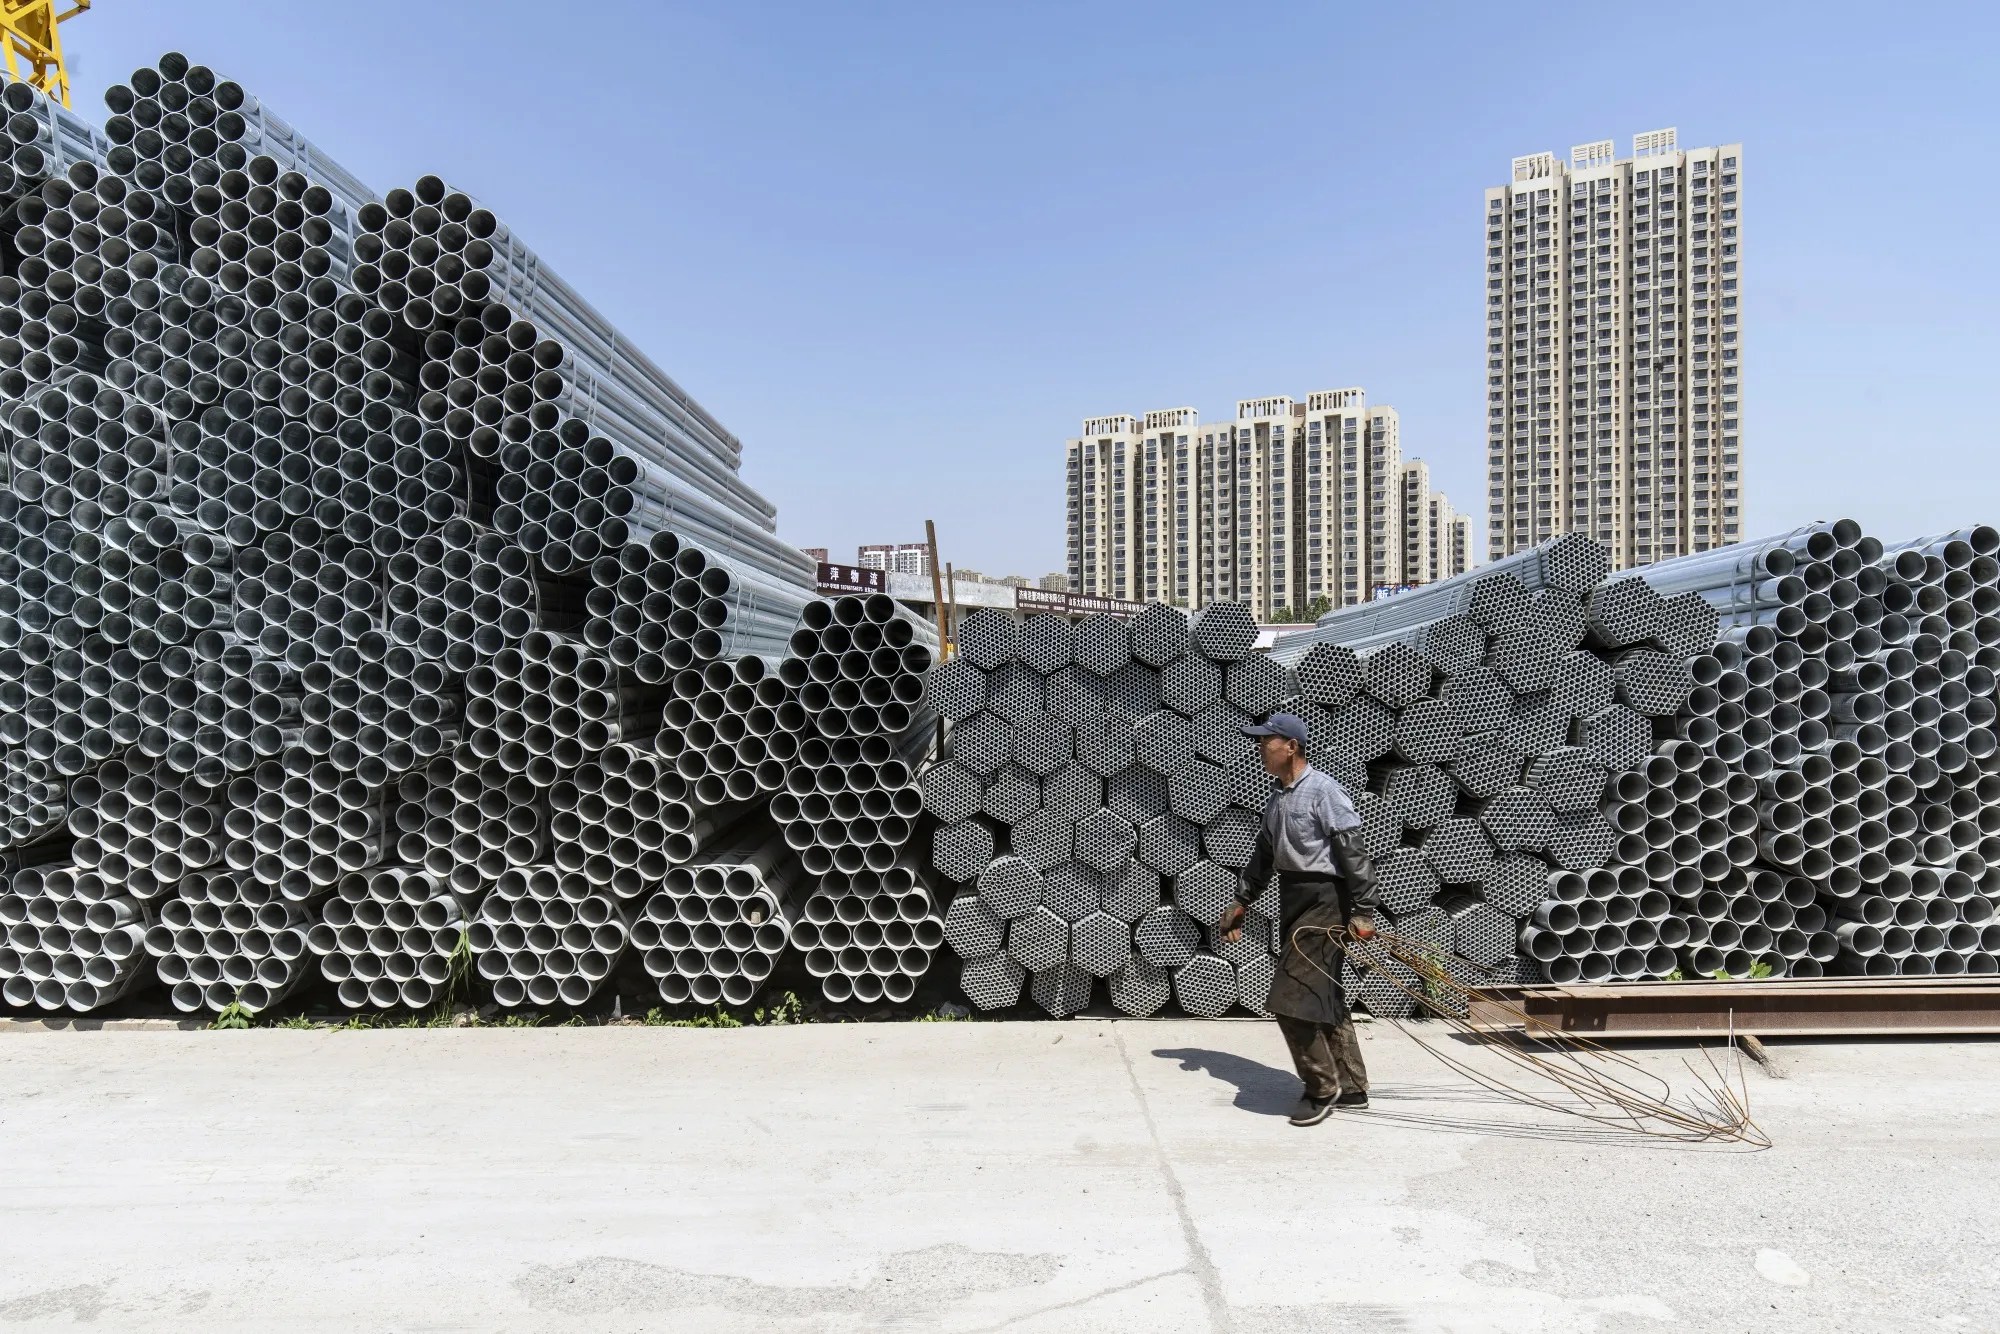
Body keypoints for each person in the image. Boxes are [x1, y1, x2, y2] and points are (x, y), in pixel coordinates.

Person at [1219, 711, 1379, 1127]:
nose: (1260, 748)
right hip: (1294, 899)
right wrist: (1242, 900)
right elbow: (1265, 857)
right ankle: (1352, 1086)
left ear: (1291, 746)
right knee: (1321, 994)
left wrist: (1363, 909)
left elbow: (1353, 852)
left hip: (1327, 901)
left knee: (1292, 999)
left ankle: (1320, 1088)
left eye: (1266, 741)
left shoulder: (1325, 792)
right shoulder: (1279, 797)